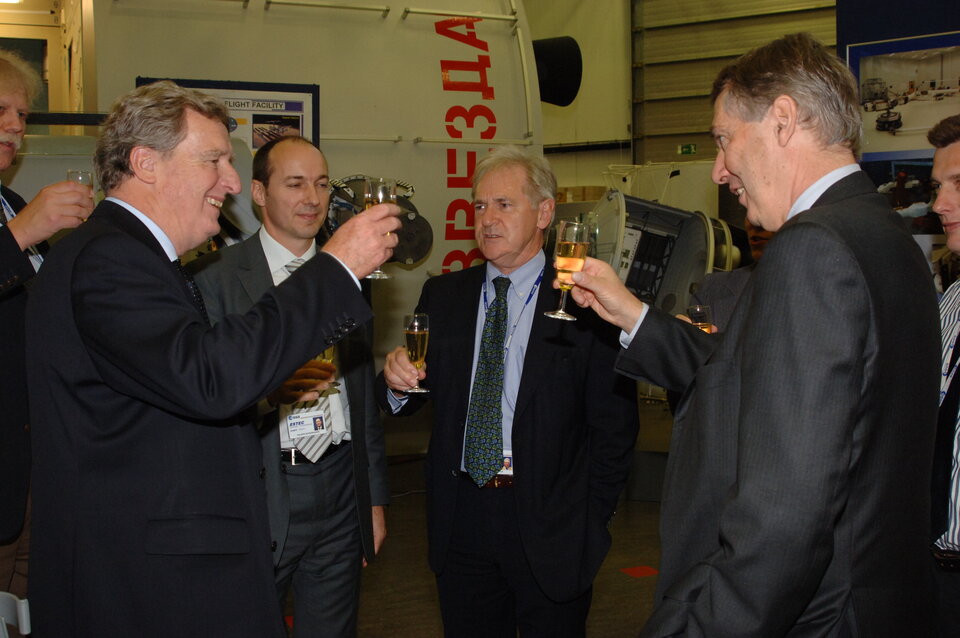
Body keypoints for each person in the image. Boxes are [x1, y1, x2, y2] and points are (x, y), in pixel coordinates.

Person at [567, 33, 940, 636]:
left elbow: (786, 516)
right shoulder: (888, 238)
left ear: (784, 120)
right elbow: (761, 379)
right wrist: (633, 313)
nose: (718, 170)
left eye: (723, 139)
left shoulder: (812, 249)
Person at [24, 81, 399, 638]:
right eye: (214, 161)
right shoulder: (110, 259)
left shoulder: (135, 257)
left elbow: (164, 391)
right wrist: (335, 269)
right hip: (141, 582)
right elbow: (208, 377)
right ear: (145, 163)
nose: (229, 182)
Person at [378, 145, 637, 637]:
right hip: (462, 520)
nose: (487, 220)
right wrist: (395, 383)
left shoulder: (586, 301)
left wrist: (590, 524)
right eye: (479, 206)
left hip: (550, 524)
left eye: (503, 205)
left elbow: (615, 428)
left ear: (544, 212)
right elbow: (411, 398)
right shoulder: (445, 296)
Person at [192, 135, 389, 638]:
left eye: (322, 184)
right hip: (264, 490)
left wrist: (374, 501)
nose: (312, 198)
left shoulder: (353, 274)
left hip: (341, 490)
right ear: (258, 192)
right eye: (295, 183)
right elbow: (205, 397)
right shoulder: (215, 279)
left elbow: (360, 398)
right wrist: (267, 395)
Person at [0, 50, 92, 618]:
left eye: (22, 115)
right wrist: (23, 233)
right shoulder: (18, 217)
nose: (15, 125)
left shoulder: (9, 203)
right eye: (1, 110)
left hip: (31, 469)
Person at [928, 112, 960, 637]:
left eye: (958, 185)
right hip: (936, 577)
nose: (938, 205)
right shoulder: (951, 303)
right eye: (937, 187)